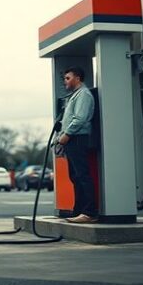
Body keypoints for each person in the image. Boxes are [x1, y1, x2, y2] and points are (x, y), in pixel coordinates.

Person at [55, 66, 98, 223]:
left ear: (77, 78)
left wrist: (67, 134)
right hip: (72, 138)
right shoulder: (75, 95)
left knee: (82, 175)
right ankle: (78, 210)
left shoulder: (84, 95)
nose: (65, 81)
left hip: (77, 138)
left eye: (68, 78)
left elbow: (80, 118)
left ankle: (89, 212)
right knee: (75, 176)